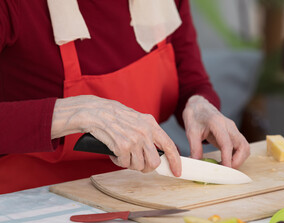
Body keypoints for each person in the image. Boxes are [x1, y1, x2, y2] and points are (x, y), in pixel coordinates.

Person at [0, 0, 250, 194]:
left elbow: (190, 80)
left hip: (137, 190)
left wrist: (199, 103)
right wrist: (77, 112)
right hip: (29, 199)